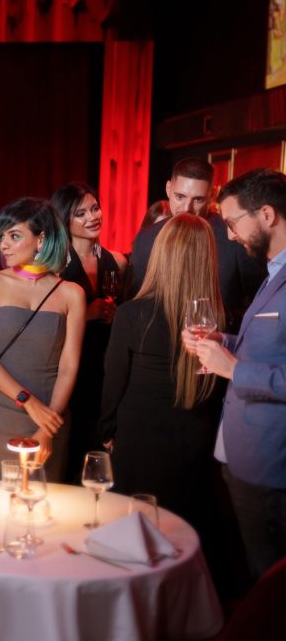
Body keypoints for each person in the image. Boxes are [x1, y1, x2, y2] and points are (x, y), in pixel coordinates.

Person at [188, 168, 286, 580]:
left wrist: (233, 369)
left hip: (271, 464)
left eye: (232, 222)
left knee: (268, 585)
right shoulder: (273, 271)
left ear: (266, 215)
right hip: (244, 455)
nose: (229, 236)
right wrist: (224, 341)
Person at [100, 214, 223, 538]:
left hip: (138, 437)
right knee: (180, 538)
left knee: (131, 538)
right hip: (194, 437)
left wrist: (106, 430)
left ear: (161, 254)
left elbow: (113, 382)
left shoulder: (132, 313)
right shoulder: (218, 321)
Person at [0, 197, 85, 481]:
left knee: (41, 504)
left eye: (14, 236)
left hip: (49, 419)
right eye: (2, 236)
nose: (4, 244)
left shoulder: (72, 294)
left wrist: (48, 426)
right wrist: (28, 402)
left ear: (41, 240)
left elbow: (68, 367)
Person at [129, 157, 265, 329]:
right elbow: (136, 304)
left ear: (212, 195)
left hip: (217, 339)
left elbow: (261, 305)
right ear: (168, 189)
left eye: (198, 200)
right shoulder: (146, 238)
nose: (187, 208)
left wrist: (223, 320)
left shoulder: (235, 238)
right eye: (180, 197)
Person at [51, 183, 127, 482]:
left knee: (101, 453)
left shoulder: (117, 261)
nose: (92, 217)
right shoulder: (55, 266)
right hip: (69, 368)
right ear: (64, 219)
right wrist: (87, 313)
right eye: (80, 213)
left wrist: (119, 316)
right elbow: (45, 323)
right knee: (70, 452)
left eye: (95, 208)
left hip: (107, 366)